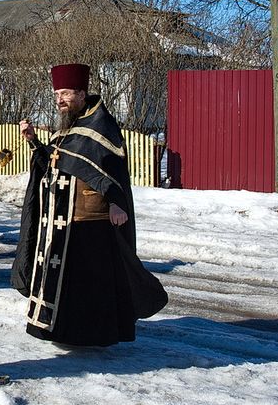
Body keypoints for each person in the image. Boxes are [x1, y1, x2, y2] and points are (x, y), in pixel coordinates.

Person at [11, 63, 168, 346]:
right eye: (57, 93)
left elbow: (111, 171)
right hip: (62, 219)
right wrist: (34, 142)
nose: (60, 99)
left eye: (66, 93)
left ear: (82, 94)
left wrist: (116, 203)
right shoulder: (68, 128)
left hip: (89, 220)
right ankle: (61, 331)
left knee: (90, 283)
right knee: (66, 281)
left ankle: (91, 335)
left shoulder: (101, 126)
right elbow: (57, 163)